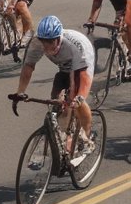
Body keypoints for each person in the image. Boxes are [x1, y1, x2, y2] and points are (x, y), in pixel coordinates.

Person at [9, 15, 96, 148]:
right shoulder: (36, 43)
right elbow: (28, 67)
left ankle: (86, 137)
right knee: (56, 102)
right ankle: (63, 137)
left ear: (58, 38)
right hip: (64, 67)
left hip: (82, 62)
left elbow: (83, 77)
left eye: (50, 42)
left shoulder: (73, 46)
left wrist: (78, 99)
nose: (46, 45)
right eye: (43, 41)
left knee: (76, 99)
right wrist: (20, 92)